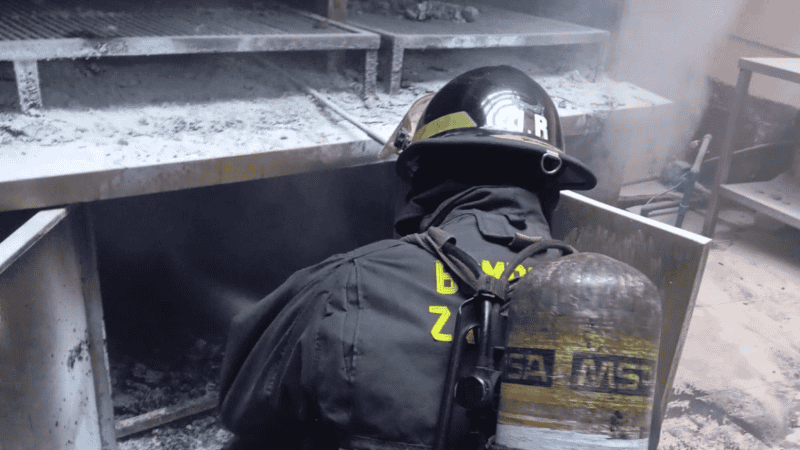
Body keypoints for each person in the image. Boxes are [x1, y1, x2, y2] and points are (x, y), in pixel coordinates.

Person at [218, 65, 597, 450]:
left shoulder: (347, 286)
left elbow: (242, 408)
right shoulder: (599, 308)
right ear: (550, 188)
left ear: (426, 171)